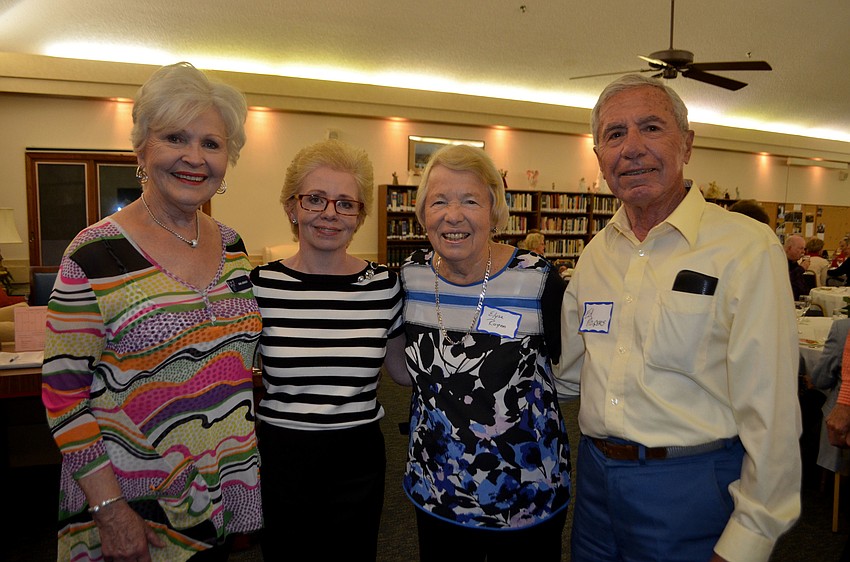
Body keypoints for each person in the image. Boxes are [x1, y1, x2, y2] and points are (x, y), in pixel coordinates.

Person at [558, 74, 801, 562]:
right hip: (596, 485)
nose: (632, 148)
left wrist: (747, 540)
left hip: (691, 487)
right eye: (614, 134)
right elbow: (567, 373)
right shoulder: (594, 257)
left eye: (651, 127)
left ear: (686, 144)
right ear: (599, 157)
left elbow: (771, 413)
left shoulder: (745, 249)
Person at [41, 62, 262, 562]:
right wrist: (110, 509)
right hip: (134, 498)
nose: (194, 158)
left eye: (211, 143)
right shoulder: (92, 253)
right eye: (175, 138)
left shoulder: (233, 246)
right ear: (142, 148)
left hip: (222, 484)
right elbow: (62, 398)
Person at [399, 144, 570, 561]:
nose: (452, 215)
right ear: (422, 214)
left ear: (494, 212)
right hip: (437, 487)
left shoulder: (537, 281)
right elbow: (403, 370)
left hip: (526, 493)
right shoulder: (410, 277)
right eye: (438, 201)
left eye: (470, 200)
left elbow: (571, 373)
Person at [250, 139, 407, 561]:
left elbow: (403, 372)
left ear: (359, 217)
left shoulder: (384, 287)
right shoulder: (259, 286)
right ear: (292, 207)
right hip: (284, 455)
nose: (329, 214)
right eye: (315, 199)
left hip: (357, 455)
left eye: (345, 203)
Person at [785, 234, 808, 299]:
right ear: (789, 248)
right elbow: (788, 279)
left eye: (804, 249)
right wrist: (801, 268)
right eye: (801, 248)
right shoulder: (781, 262)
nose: (803, 251)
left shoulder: (794, 263)